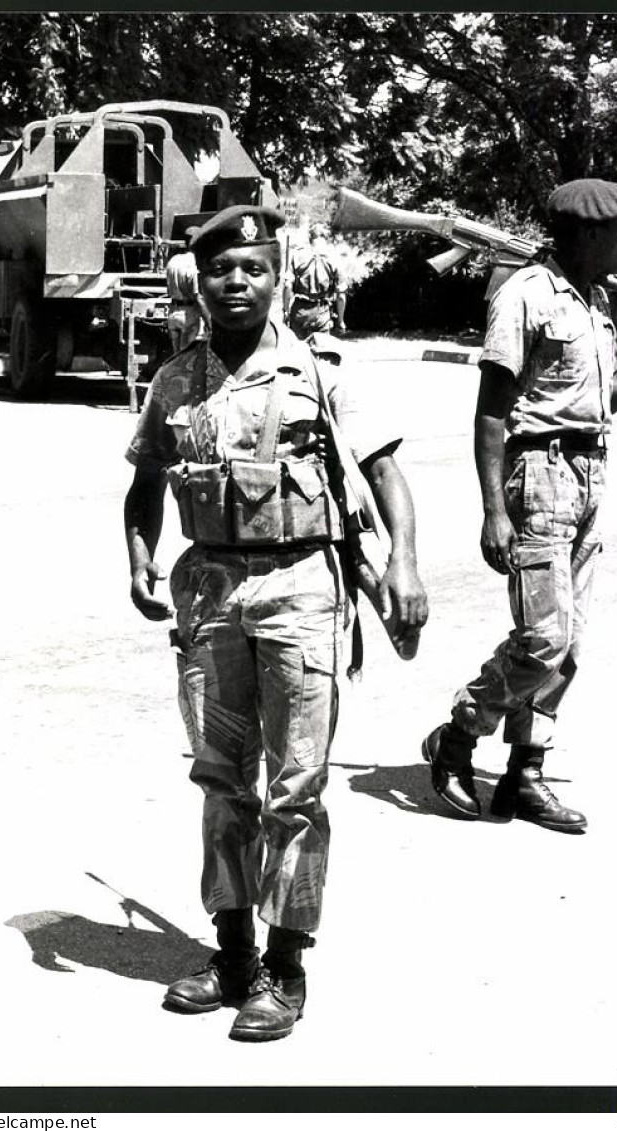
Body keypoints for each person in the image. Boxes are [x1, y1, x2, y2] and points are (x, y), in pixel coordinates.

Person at [123, 204, 428, 1041]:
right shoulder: (176, 379)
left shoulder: (319, 373)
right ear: (200, 280)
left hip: (301, 589)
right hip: (209, 591)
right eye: (221, 269)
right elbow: (146, 476)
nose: (236, 283)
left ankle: (285, 968)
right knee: (222, 782)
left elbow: (384, 469)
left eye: (253, 268)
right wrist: (139, 554)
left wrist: (401, 560)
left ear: (275, 276)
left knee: (295, 790)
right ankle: (230, 955)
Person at [422, 178, 617, 832]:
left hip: (590, 470)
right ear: (587, 234)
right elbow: (489, 414)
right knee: (543, 638)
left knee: (571, 643)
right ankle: (456, 735)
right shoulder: (523, 297)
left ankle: (523, 773)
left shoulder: (592, 302)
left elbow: (607, 393)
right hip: (538, 474)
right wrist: (491, 509)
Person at [283, 222, 348, 339]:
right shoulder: (334, 257)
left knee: (297, 351)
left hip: (300, 311)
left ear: (310, 237)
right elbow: (341, 294)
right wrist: (340, 320)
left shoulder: (297, 255)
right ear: (326, 237)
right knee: (322, 351)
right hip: (322, 312)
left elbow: (287, 286)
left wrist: (286, 311)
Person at [165, 229, 212, 353]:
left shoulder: (173, 260)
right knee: (188, 360)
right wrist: (209, 323)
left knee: (176, 358)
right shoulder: (195, 263)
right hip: (189, 315)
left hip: (173, 313)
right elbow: (199, 298)